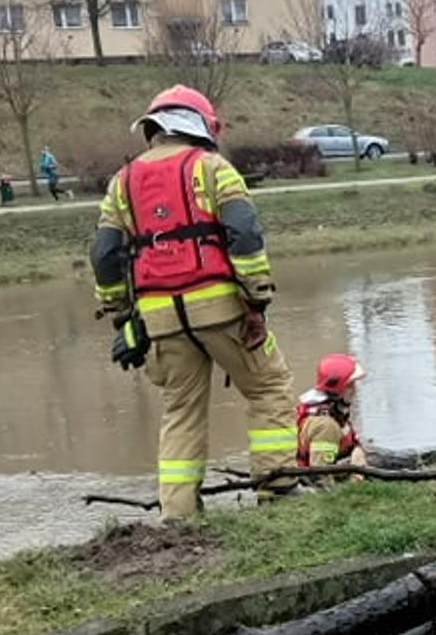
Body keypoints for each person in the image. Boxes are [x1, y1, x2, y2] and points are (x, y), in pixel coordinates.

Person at [88, 85, 301, 519]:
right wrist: (256, 300)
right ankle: (277, 488)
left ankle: (179, 513)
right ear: (201, 125)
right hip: (223, 309)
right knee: (268, 387)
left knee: (180, 411)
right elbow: (245, 233)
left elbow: (105, 254)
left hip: (160, 318)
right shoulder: (213, 168)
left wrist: (122, 317)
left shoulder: (121, 183)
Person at [297, 353, 367, 468]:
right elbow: (320, 473)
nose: (355, 390)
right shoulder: (326, 425)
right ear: (340, 389)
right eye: (351, 385)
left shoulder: (333, 412)